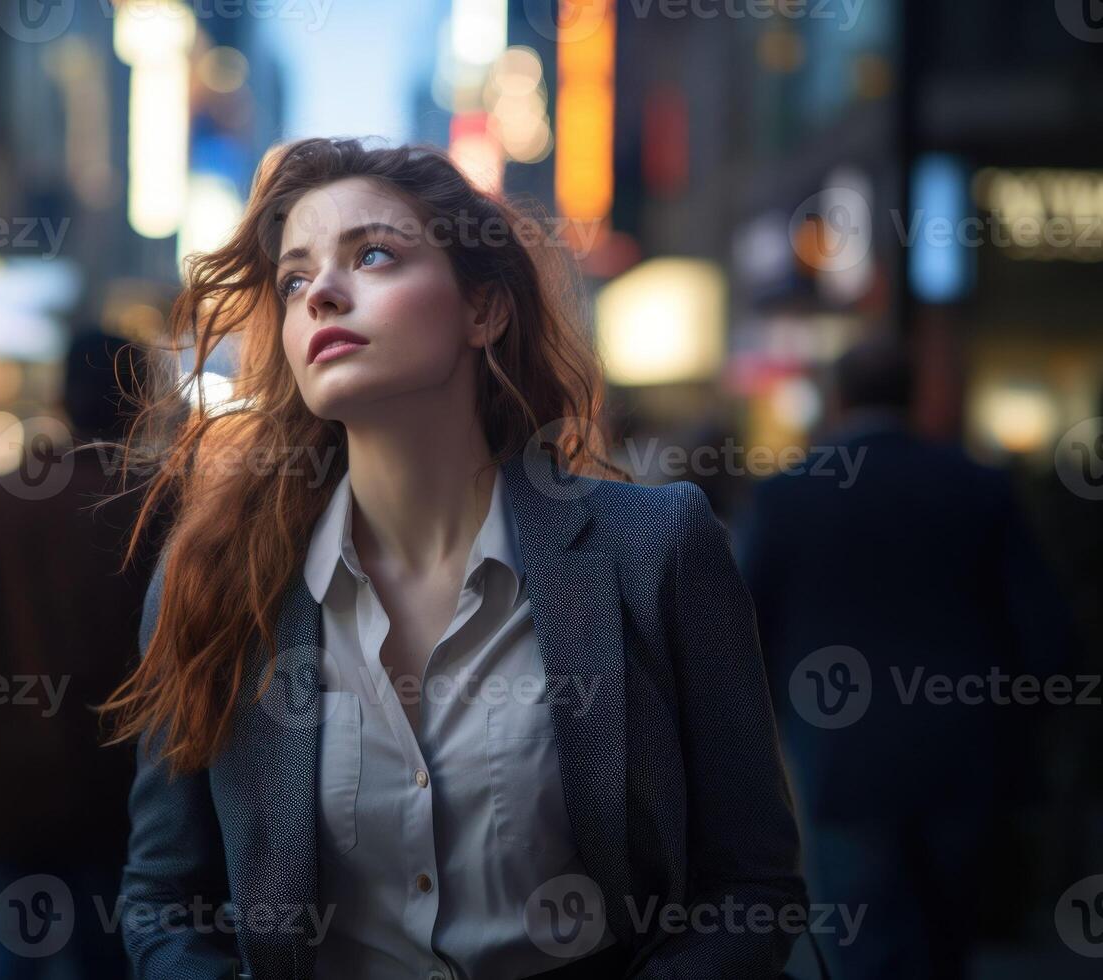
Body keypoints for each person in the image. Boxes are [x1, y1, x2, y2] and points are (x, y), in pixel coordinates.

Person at [102, 138, 807, 979]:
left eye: (372, 255)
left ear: (485, 310)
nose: (322, 292)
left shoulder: (654, 550)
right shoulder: (219, 582)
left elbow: (755, 885)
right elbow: (162, 903)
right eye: (294, 280)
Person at [738, 340, 1072, 979]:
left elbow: (746, 629)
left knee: (867, 944)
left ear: (838, 399)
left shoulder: (789, 495)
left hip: (842, 749)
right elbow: (1042, 629)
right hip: (961, 747)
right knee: (947, 941)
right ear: (916, 395)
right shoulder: (977, 485)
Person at [0, 329, 171, 978]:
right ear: (136, 402)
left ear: (59, 396)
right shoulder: (163, 512)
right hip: (124, 801)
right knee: (115, 959)